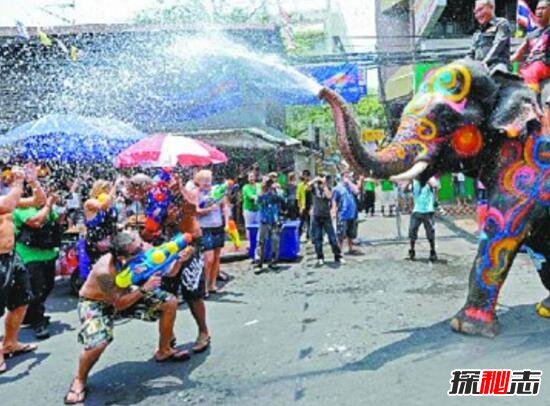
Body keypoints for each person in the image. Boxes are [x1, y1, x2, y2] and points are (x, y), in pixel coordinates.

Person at [63, 232, 189, 404]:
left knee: (169, 302)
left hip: (128, 293)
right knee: (98, 342)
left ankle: (164, 350)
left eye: (141, 244)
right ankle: (79, 379)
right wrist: (144, 289)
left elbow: (170, 273)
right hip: (96, 302)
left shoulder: (143, 250)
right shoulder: (105, 271)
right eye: (137, 250)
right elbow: (119, 305)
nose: (142, 250)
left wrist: (179, 260)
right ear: (123, 257)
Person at [0, 164, 46, 375]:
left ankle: (10, 343)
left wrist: (33, 181)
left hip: (11, 256)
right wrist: (19, 182)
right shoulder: (6, 199)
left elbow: (39, 202)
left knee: (21, 302)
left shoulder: (6, 195)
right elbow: (7, 206)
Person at [161, 173, 211, 353]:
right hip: (169, 246)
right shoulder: (161, 195)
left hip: (192, 244)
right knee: (166, 293)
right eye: (167, 180)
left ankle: (203, 331)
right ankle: (168, 336)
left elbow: (192, 206)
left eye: (173, 179)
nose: (170, 183)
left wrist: (180, 190)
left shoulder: (191, 191)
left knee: (192, 291)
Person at [14, 192, 61, 339]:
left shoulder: (43, 206)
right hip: (30, 256)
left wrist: (51, 206)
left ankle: (30, 314)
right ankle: (38, 321)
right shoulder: (21, 208)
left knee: (48, 286)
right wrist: (48, 205)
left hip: (48, 253)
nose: (43, 195)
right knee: (37, 289)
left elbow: (57, 219)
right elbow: (36, 221)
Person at [196, 170, 229, 294]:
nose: (207, 183)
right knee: (208, 258)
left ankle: (212, 284)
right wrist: (209, 209)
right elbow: (196, 211)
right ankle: (203, 286)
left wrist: (226, 222)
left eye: (209, 180)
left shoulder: (217, 191)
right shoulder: (197, 194)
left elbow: (224, 207)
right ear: (198, 182)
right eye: (204, 181)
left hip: (218, 226)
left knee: (216, 257)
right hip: (205, 228)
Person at [512, 0, 550, 92]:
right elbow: (519, 53)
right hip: (529, 64)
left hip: (545, 64)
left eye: (543, 8)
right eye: (538, 9)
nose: (539, 11)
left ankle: (531, 102)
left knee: (531, 72)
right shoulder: (532, 34)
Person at [309, 174, 343, 266]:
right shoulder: (314, 189)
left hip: (326, 216)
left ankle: (338, 256)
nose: (321, 183)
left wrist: (324, 186)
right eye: (320, 182)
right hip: (316, 216)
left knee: (332, 237)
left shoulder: (328, 189)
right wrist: (315, 179)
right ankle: (320, 257)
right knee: (318, 238)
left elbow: (329, 196)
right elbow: (307, 186)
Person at [469, 0, 511, 73]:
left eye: (480, 10)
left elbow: (498, 45)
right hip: (479, 68)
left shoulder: (501, 23)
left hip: (496, 65)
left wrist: (484, 62)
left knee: (498, 73)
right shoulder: (478, 32)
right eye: (475, 12)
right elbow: (471, 53)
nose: (478, 15)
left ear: (491, 7)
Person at [255, 176, 285, 272]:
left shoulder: (275, 191)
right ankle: (259, 263)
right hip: (264, 219)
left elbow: (282, 199)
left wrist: (275, 190)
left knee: (275, 241)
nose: (268, 184)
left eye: (270, 182)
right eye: (267, 182)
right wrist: (263, 190)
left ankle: (273, 262)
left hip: (274, 219)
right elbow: (257, 201)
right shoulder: (260, 191)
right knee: (261, 242)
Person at [407, 177, 439, 262]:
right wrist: (410, 205)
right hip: (417, 211)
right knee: (412, 230)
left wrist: (435, 200)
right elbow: (408, 191)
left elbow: (436, 186)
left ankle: (432, 251)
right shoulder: (413, 181)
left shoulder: (430, 179)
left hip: (429, 211)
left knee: (430, 233)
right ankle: (412, 250)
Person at [332, 172, 360, 254]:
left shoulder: (350, 187)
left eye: (349, 176)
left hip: (352, 214)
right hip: (343, 214)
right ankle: (339, 250)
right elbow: (334, 200)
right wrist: (333, 211)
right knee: (341, 234)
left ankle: (350, 248)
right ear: (342, 177)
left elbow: (357, 191)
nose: (348, 178)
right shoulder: (337, 188)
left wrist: (349, 182)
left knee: (351, 233)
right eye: (346, 176)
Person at [241, 171, 260, 247]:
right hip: (248, 210)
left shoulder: (259, 185)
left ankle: (258, 242)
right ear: (248, 178)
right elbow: (250, 196)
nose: (252, 178)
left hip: (258, 209)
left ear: (255, 177)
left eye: (253, 176)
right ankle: (249, 242)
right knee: (248, 226)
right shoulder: (245, 187)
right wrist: (257, 197)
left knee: (258, 226)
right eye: (250, 177)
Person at [297, 169, 312, 241]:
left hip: (310, 206)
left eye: (307, 175)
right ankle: (298, 235)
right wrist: (300, 207)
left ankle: (309, 236)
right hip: (303, 207)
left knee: (309, 222)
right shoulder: (300, 185)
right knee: (301, 221)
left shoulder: (311, 185)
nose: (306, 177)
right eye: (304, 175)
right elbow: (298, 197)